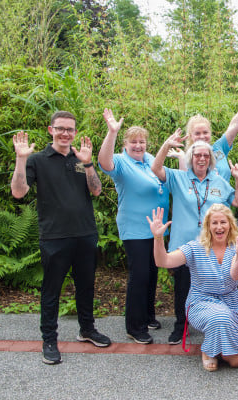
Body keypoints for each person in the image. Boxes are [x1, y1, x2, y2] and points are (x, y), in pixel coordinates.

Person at [10, 111, 111, 365]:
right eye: (60, 128)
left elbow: (97, 191)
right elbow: (19, 192)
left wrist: (88, 164)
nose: (66, 133)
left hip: (85, 233)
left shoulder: (80, 158)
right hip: (54, 237)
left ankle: (87, 329)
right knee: (51, 290)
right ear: (50, 130)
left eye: (70, 129)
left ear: (75, 132)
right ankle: (49, 340)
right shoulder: (37, 160)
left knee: (86, 285)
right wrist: (21, 159)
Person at [151, 131, 238, 345]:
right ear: (190, 158)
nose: (201, 159)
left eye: (205, 155)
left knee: (215, 285)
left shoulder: (219, 181)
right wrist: (166, 145)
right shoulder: (178, 177)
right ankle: (181, 324)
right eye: (197, 155)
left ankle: (216, 321)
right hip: (184, 245)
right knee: (182, 287)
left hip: (214, 247)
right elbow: (155, 169)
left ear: (210, 159)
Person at [147, 205, 238, 371]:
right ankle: (208, 351)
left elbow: (235, 276)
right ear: (207, 226)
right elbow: (163, 262)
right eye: (214, 223)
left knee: (235, 361)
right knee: (220, 317)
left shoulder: (237, 247)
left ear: (230, 225)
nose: (219, 227)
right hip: (201, 302)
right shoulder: (195, 247)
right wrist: (158, 238)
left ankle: (220, 343)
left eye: (223, 222)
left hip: (231, 304)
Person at [97, 109, 170, 344]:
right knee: (139, 275)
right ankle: (134, 326)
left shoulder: (149, 159)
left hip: (156, 229)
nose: (138, 146)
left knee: (152, 272)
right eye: (133, 142)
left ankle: (148, 315)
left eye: (142, 141)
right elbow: (103, 162)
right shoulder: (120, 162)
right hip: (135, 228)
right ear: (125, 144)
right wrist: (112, 132)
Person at [174, 82, 238, 179]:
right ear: (190, 136)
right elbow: (184, 185)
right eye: (197, 133)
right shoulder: (188, 158)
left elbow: (235, 125)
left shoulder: (219, 147)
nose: (202, 136)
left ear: (210, 133)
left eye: (205, 132)